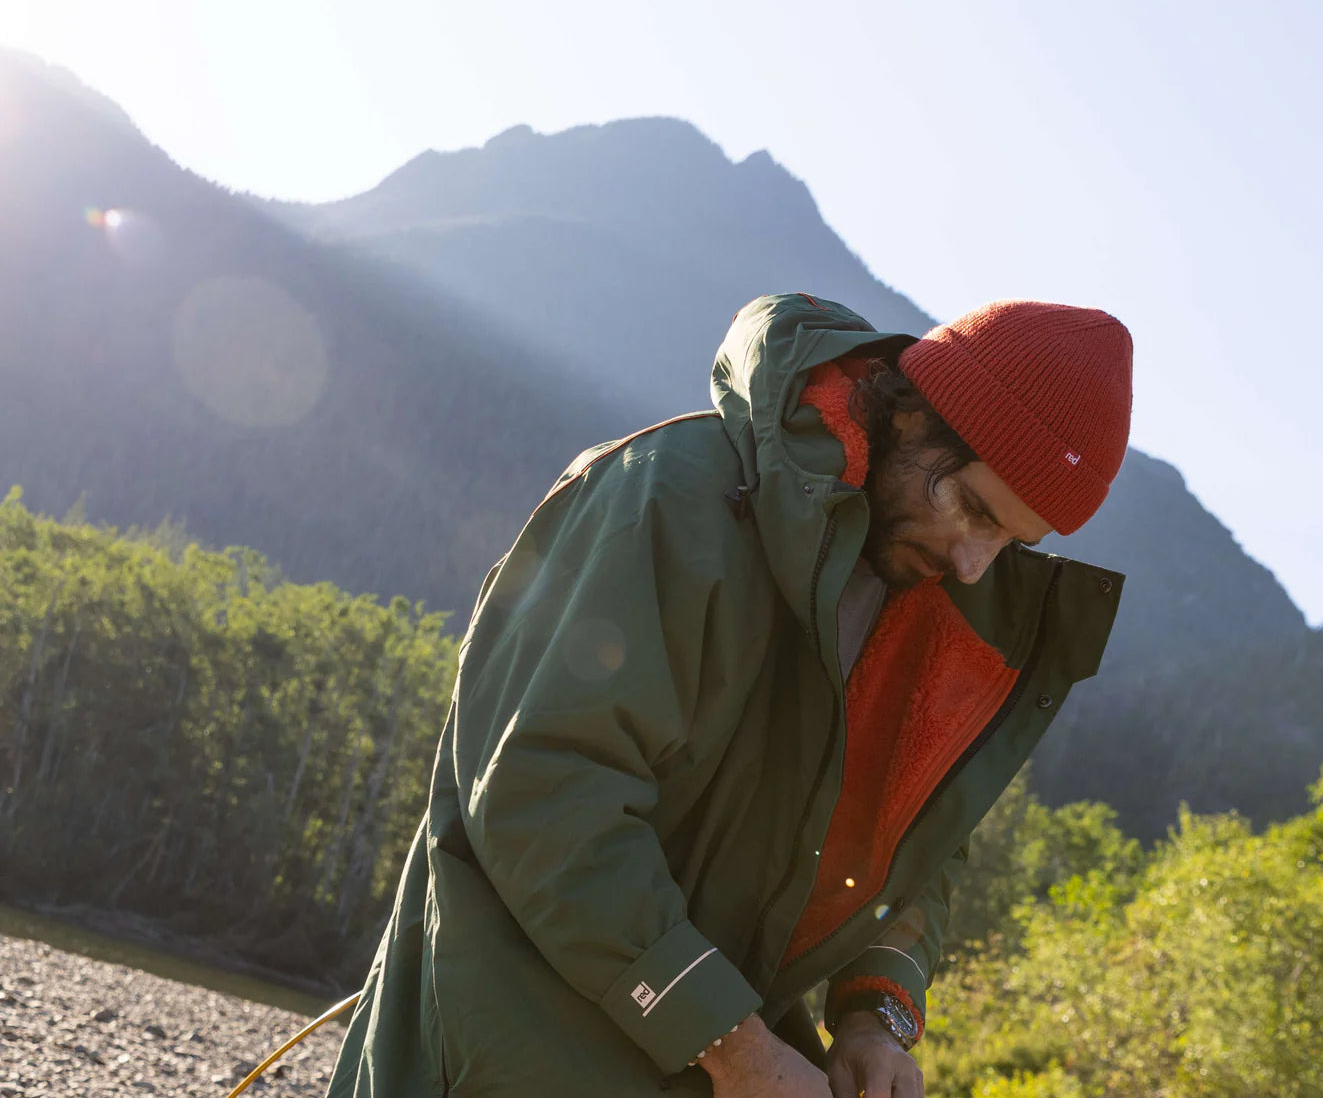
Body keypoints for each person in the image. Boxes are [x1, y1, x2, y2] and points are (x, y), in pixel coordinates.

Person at [325, 292, 1133, 1098]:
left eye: (1009, 541)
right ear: (913, 415)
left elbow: (913, 847)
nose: (972, 562)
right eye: (972, 507)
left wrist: (872, 1013)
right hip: (493, 1053)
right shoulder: (665, 497)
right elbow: (544, 796)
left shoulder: (924, 603)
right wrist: (731, 1042)